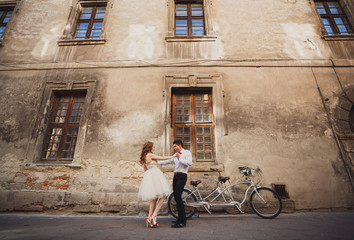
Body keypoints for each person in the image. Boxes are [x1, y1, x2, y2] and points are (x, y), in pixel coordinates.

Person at [138, 141, 175, 228]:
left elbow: (145, 170)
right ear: (149, 148)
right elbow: (162, 158)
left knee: (154, 198)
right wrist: (173, 156)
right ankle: (154, 215)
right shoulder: (150, 155)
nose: (154, 148)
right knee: (164, 195)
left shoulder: (144, 157)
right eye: (153, 147)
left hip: (150, 175)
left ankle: (149, 217)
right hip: (155, 174)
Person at [158, 139, 192, 228]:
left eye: (175, 146)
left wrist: (179, 158)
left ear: (180, 145)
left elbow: (189, 163)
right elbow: (168, 161)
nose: (174, 148)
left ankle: (182, 221)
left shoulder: (187, 153)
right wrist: (157, 162)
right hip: (176, 176)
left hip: (182, 176)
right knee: (176, 197)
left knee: (178, 197)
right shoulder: (175, 155)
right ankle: (180, 219)